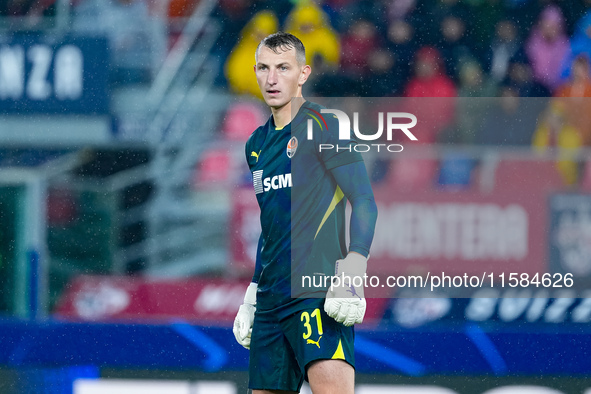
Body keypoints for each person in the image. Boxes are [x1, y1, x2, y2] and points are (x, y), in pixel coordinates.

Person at [232, 32, 377, 393]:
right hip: (270, 301)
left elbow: (364, 200)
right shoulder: (256, 145)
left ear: (303, 73)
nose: (272, 78)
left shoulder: (324, 125)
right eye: (264, 68)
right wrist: (252, 291)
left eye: (283, 68)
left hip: (317, 291)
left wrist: (353, 268)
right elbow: (272, 224)